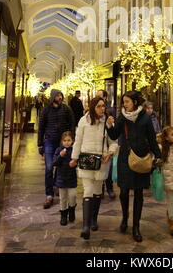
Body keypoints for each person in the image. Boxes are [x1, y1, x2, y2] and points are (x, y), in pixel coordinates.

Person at [106, 90, 162, 243]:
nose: (124, 105)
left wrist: (157, 155)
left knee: (138, 194)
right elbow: (113, 135)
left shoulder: (145, 117)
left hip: (142, 158)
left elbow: (151, 138)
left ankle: (136, 227)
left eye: (127, 102)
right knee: (124, 192)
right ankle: (125, 218)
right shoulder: (122, 117)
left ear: (135, 102)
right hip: (125, 158)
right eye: (124, 102)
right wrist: (109, 126)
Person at [69, 97, 118, 240]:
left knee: (97, 191)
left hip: (102, 162)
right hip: (86, 161)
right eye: (99, 106)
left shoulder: (107, 122)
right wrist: (74, 157)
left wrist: (110, 153)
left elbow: (114, 142)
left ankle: (93, 219)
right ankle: (85, 226)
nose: (102, 109)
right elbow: (77, 141)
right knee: (88, 191)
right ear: (92, 107)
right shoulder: (83, 121)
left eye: (104, 106)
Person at [38, 89, 75, 209]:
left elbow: (72, 124)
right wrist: (40, 144)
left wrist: (71, 140)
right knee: (49, 167)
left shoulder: (66, 109)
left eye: (61, 95)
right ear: (53, 97)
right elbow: (41, 127)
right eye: (58, 96)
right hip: (49, 142)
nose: (60, 97)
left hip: (62, 143)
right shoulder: (46, 110)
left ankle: (55, 186)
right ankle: (49, 195)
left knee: (59, 165)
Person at [53, 131, 77, 226]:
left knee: (72, 196)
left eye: (69, 140)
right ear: (61, 141)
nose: (67, 142)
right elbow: (54, 162)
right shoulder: (59, 150)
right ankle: (63, 215)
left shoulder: (74, 150)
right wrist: (60, 156)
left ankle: (72, 210)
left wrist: (75, 163)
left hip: (71, 178)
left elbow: (77, 162)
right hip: (61, 178)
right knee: (63, 198)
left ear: (72, 141)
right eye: (65, 140)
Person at [97, 89, 116, 200]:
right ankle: (101, 189)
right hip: (97, 144)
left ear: (105, 98)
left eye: (100, 96)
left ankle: (110, 188)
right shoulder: (91, 112)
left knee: (108, 168)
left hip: (107, 143)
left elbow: (114, 130)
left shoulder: (110, 111)